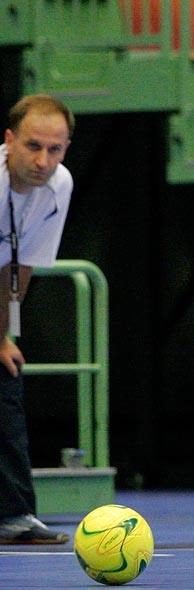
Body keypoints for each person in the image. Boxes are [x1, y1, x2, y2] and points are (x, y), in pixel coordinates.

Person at [0, 94, 75, 544]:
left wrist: (4, 334)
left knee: (5, 375)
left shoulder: (58, 186)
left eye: (55, 149)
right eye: (32, 146)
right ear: (8, 141)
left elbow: (21, 265)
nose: (43, 160)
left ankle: (15, 516)